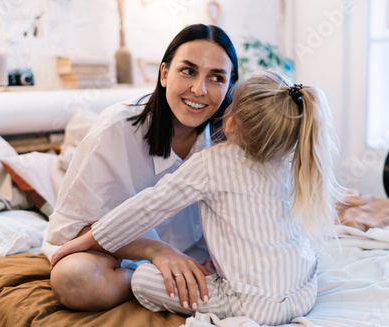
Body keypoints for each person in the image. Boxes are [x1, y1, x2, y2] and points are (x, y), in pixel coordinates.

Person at [50, 69, 343, 325]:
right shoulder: (292, 161)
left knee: (142, 278)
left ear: (230, 122)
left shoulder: (213, 162)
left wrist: (87, 240)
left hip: (253, 304)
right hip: (305, 290)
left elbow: (147, 207)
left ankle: (138, 280)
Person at [45, 23, 239, 311]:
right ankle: (149, 282)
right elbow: (71, 231)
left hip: (199, 262)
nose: (199, 89)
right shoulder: (114, 130)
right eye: (188, 71)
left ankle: (173, 282)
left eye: (216, 78)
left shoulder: (230, 142)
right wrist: (154, 250)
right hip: (116, 257)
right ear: (163, 74)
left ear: (228, 87)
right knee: (73, 278)